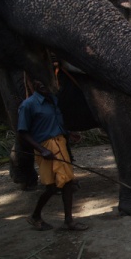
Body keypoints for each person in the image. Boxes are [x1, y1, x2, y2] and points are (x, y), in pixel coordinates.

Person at [18, 76, 89, 231]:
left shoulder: (54, 100)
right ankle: (35, 216)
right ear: (32, 83)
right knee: (50, 187)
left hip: (60, 144)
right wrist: (42, 149)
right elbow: (23, 132)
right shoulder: (28, 105)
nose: (42, 83)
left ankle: (68, 221)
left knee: (67, 182)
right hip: (45, 148)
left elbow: (56, 123)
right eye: (38, 80)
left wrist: (68, 133)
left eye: (45, 79)